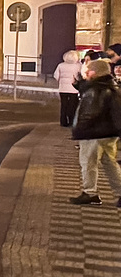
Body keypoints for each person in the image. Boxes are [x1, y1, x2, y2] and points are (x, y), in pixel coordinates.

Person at [69, 58, 121, 205]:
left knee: (88, 163)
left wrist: (80, 131)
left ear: (97, 72)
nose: (87, 72)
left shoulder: (97, 90)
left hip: (94, 133)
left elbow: (89, 114)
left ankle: (90, 192)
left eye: (90, 70)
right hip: (107, 133)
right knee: (110, 163)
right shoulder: (109, 87)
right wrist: (80, 84)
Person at [55, 48, 86, 127]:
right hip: (73, 88)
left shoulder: (60, 65)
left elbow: (56, 76)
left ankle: (63, 121)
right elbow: (80, 77)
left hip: (62, 88)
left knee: (63, 105)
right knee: (72, 105)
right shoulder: (78, 65)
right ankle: (71, 121)